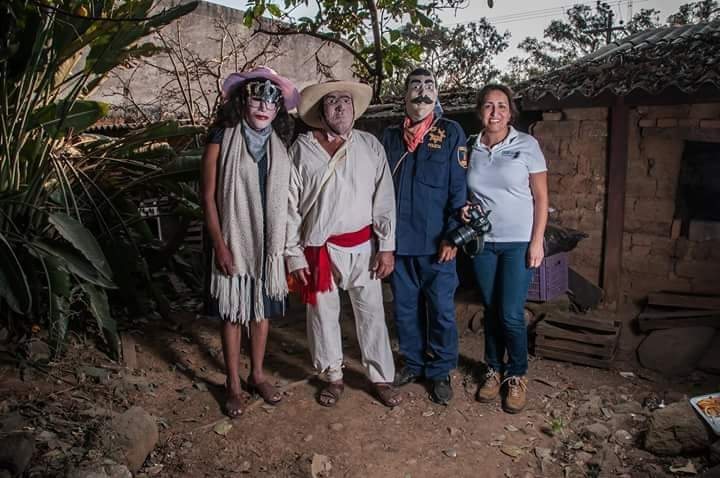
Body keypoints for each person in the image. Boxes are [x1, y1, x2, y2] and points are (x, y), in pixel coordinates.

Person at [285, 80, 402, 408]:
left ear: (354, 109)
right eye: (332, 102)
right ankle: (332, 377)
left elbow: (385, 200)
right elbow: (288, 207)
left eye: (346, 102)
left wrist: (387, 246)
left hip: (363, 248)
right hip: (318, 249)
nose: (340, 107)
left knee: (372, 313)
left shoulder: (370, 145)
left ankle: (380, 377)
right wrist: (293, 256)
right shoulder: (302, 149)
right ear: (321, 111)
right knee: (322, 316)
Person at [201, 66, 299, 418]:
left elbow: (288, 200)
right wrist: (220, 245)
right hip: (233, 240)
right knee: (233, 312)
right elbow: (209, 197)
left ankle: (257, 374)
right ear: (243, 101)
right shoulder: (221, 138)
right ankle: (233, 384)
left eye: (271, 101)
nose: (263, 106)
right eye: (256, 97)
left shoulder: (280, 145)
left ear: (278, 110)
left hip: (267, 245)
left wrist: (285, 247)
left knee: (261, 313)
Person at [381, 68, 467, 405]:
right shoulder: (389, 137)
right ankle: (414, 364)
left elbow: (458, 191)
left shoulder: (451, 132)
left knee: (442, 310)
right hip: (399, 245)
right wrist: (383, 241)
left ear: (437, 95)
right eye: (415, 86)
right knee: (404, 310)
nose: (422, 92)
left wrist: (453, 237)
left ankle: (440, 370)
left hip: (437, 246)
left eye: (429, 86)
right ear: (404, 95)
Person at [465, 83, 549, 414]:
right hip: (484, 242)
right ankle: (492, 368)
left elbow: (541, 197)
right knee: (490, 309)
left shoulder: (527, 145)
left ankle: (516, 374)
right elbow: (470, 192)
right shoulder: (472, 147)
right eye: (488, 106)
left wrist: (537, 240)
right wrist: (466, 207)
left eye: (501, 106)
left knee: (511, 314)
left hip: (517, 242)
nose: (495, 112)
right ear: (480, 112)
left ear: (510, 111)